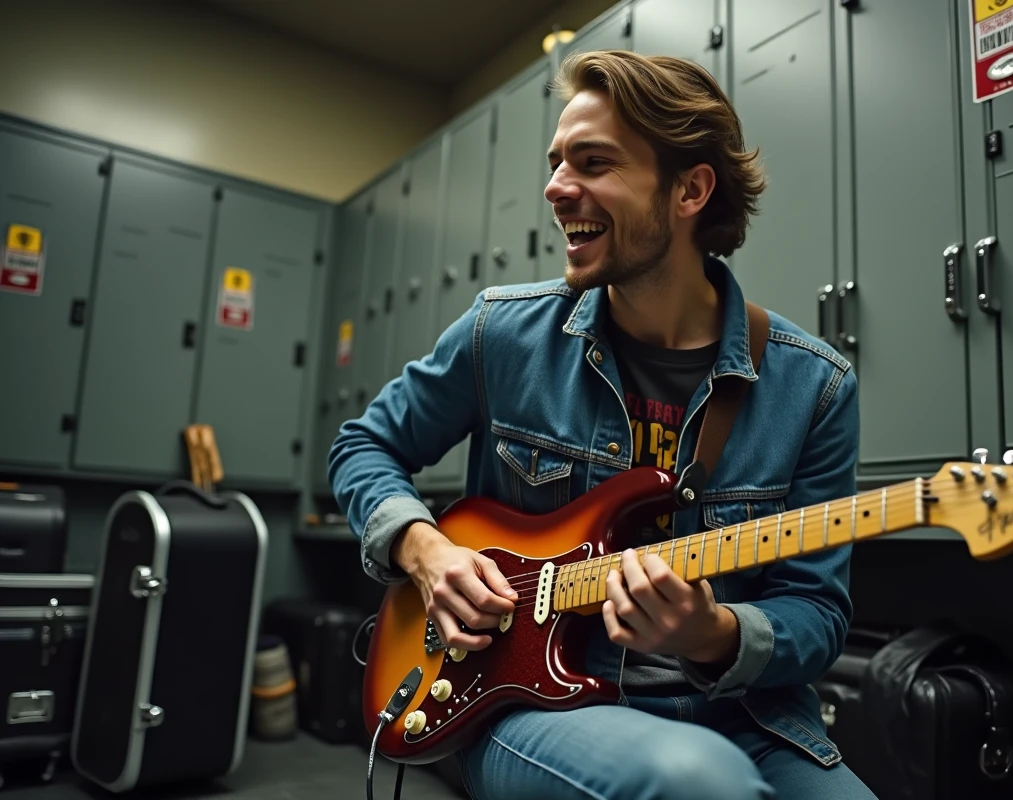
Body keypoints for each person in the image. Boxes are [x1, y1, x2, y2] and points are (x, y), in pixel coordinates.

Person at [329, 49, 876, 800]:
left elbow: (816, 614)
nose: (556, 188)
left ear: (690, 189)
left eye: (593, 162)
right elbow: (364, 445)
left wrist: (712, 635)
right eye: (556, 162)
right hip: (527, 703)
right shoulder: (502, 334)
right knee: (698, 783)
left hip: (744, 715)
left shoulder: (815, 387)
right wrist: (426, 553)